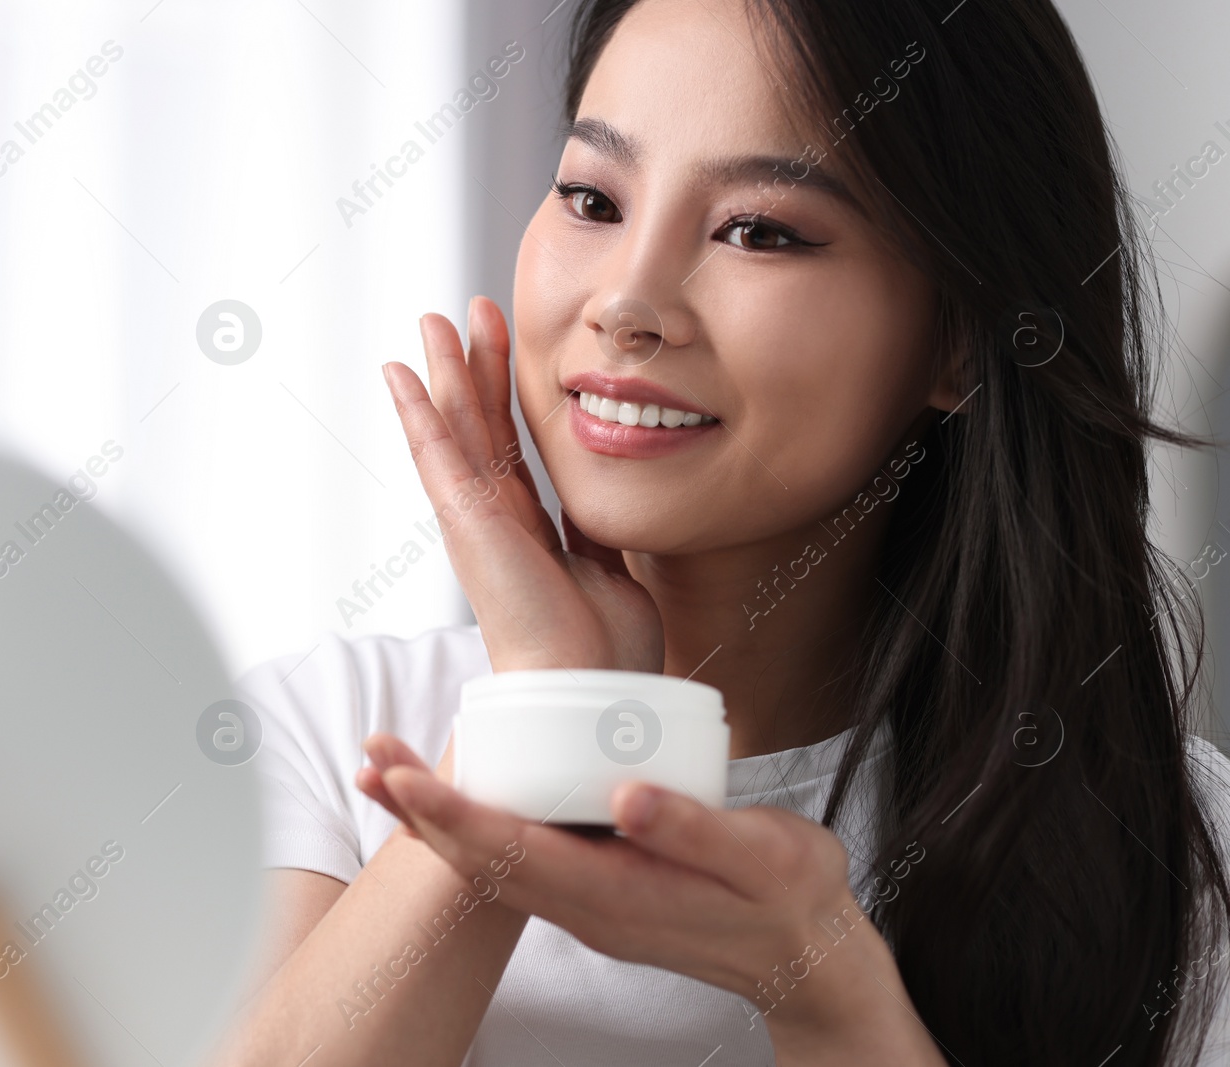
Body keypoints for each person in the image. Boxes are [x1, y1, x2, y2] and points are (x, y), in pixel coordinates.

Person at [210, 0, 1230, 1063]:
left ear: (962, 343)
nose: (627, 301)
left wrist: (829, 995)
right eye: (592, 198)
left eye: (757, 230)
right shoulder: (329, 737)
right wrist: (547, 718)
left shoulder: (1170, 852)